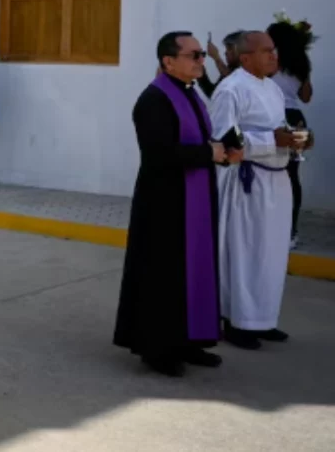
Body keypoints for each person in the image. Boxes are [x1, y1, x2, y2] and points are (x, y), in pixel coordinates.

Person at [114, 32, 241, 377]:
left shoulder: (191, 93)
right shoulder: (154, 100)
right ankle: (158, 349)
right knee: (164, 275)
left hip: (195, 196)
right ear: (168, 62)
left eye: (202, 55)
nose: (202, 60)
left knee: (194, 269)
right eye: (194, 55)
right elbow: (156, 155)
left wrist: (223, 152)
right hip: (165, 203)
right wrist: (207, 153)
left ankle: (189, 340)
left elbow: (200, 140)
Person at [210, 30, 311, 349]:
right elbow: (221, 139)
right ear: (245, 57)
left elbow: (278, 130)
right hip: (247, 181)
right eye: (266, 51)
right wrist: (272, 141)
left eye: (274, 50)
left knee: (271, 253)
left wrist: (296, 140)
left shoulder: (273, 89)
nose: (274, 56)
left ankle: (263, 319)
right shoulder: (231, 89)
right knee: (246, 253)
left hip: (277, 180)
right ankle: (238, 321)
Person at [267, 19, 314, 245]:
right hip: (296, 119)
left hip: (274, 117)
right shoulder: (301, 62)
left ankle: (273, 226)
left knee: (269, 173)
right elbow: (306, 97)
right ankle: (291, 232)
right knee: (293, 175)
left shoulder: (271, 60)